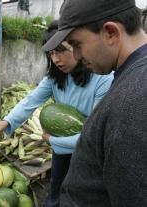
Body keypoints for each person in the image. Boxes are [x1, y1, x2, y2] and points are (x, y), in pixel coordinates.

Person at [0, 20, 113, 207]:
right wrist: (6, 122)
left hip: (88, 151)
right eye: (51, 53)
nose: (56, 59)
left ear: (78, 47)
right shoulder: (55, 76)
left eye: (61, 51)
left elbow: (93, 136)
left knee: (80, 193)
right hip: (62, 148)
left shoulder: (102, 79)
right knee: (56, 185)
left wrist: (52, 141)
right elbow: (31, 100)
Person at [42, 0, 147, 206]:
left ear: (110, 33)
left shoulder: (134, 100)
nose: (77, 56)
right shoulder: (132, 79)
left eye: (76, 44)